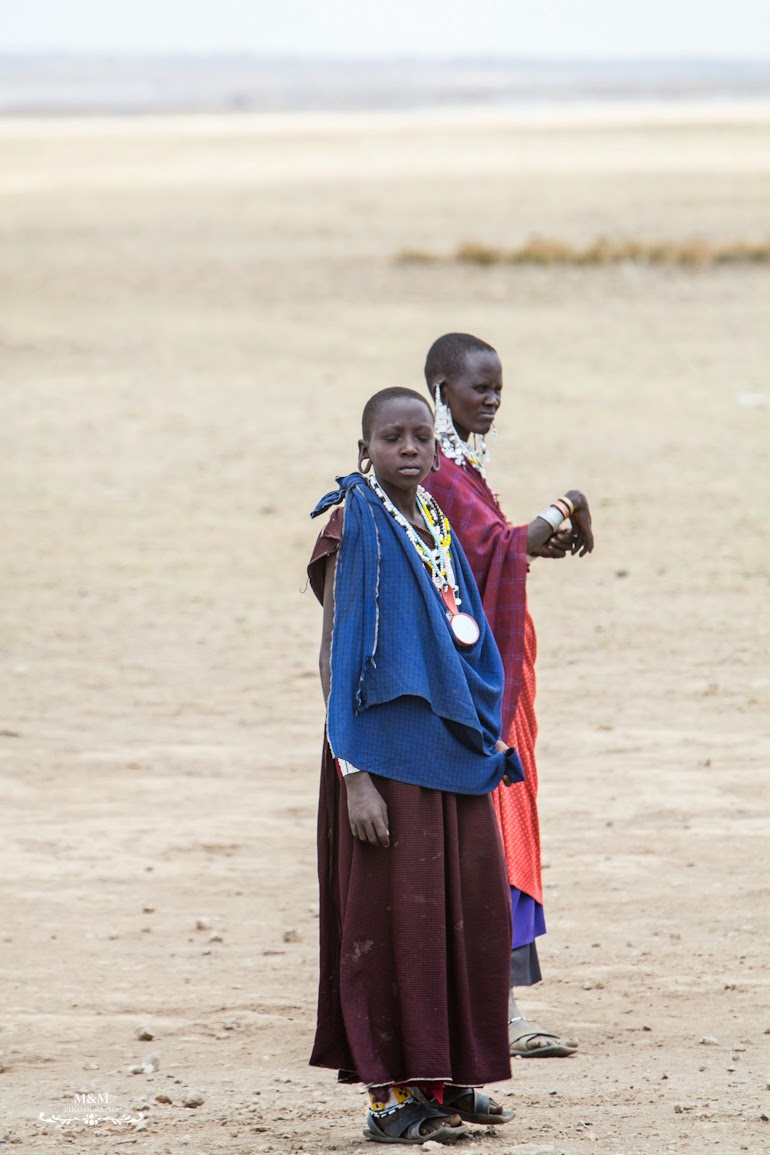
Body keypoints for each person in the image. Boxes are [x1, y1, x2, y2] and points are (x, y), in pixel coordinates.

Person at [307, 386, 522, 1144]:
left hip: (449, 749)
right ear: (364, 446)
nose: (408, 448)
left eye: (420, 437)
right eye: (391, 437)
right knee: (391, 923)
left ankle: (446, 1080)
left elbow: (464, 634)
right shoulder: (355, 522)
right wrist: (352, 771)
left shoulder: (432, 518)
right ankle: (390, 1098)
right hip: (381, 757)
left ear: (437, 447)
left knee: (465, 913)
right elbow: (333, 653)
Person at [422, 333, 594, 1059]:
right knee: (489, 829)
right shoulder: (436, 471)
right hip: (470, 689)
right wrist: (567, 503)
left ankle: (493, 1001)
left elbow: (500, 547)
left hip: (496, 681)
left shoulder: (461, 468)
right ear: (440, 388)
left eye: (497, 391)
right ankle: (498, 1008)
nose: (490, 402)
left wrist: (536, 535)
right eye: (477, 390)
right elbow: (492, 549)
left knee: (502, 824)